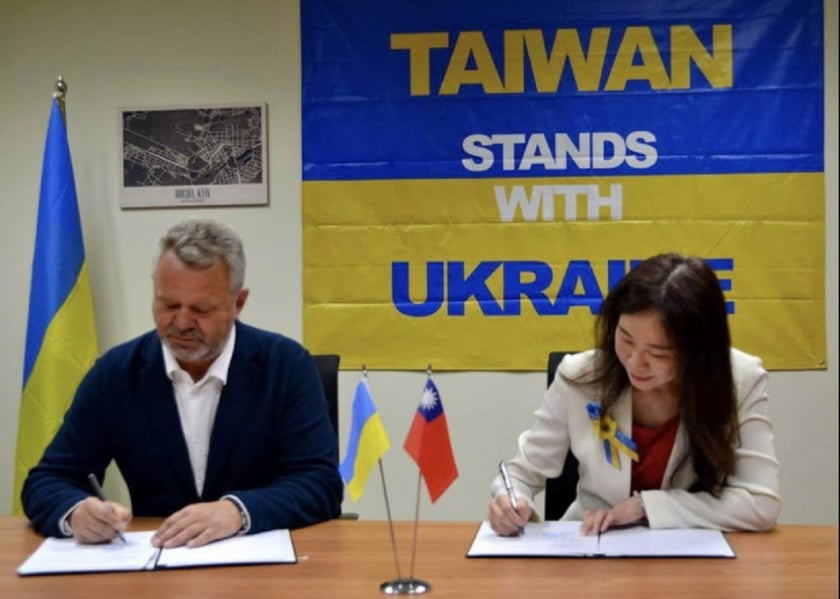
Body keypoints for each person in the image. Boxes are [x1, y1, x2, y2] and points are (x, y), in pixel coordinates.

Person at [22, 218, 343, 547]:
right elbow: (47, 480)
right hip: (157, 559)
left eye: (201, 309)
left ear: (238, 303)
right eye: (169, 304)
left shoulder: (286, 366)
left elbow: (320, 484)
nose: (182, 322)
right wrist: (76, 512)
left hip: (264, 561)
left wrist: (237, 511)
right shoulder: (117, 373)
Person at [488, 253, 781, 536]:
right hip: (593, 545)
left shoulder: (740, 379)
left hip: (690, 552)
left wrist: (647, 507)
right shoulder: (580, 376)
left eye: (658, 353)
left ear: (698, 352)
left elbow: (760, 502)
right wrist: (510, 501)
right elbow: (521, 474)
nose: (635, 362)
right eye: (626, 339)